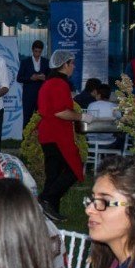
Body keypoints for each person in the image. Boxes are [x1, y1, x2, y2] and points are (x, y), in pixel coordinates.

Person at [37, 50, 87, 223]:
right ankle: (45, 198)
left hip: (48, 133)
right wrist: (82, 116)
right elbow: (61, 112)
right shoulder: (59, 83)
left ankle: (51, 212)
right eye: (72, 63)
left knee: (54, 173)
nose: (73, 67)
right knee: (74, 169)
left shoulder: (50, 82)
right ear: (64, 64)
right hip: (56, 133)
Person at [17, 39, 50, 127]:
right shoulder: (25, 62)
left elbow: (51, 78)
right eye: (36, 51)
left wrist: (45, 78)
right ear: (32, 50)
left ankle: (40, 139)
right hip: (28, 96)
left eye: (39, 52)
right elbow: (19, 78)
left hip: (42, 95)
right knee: (27, 118)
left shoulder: (46, 62)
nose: (37, 54)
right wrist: (30, 78)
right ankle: (26, 139)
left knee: (41, 117)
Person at [87, 83, 122, 148]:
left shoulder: (91, 105)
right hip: (109, 141)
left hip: (91, 140)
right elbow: (119, 122)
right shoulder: (114, 106)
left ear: (99, 95)